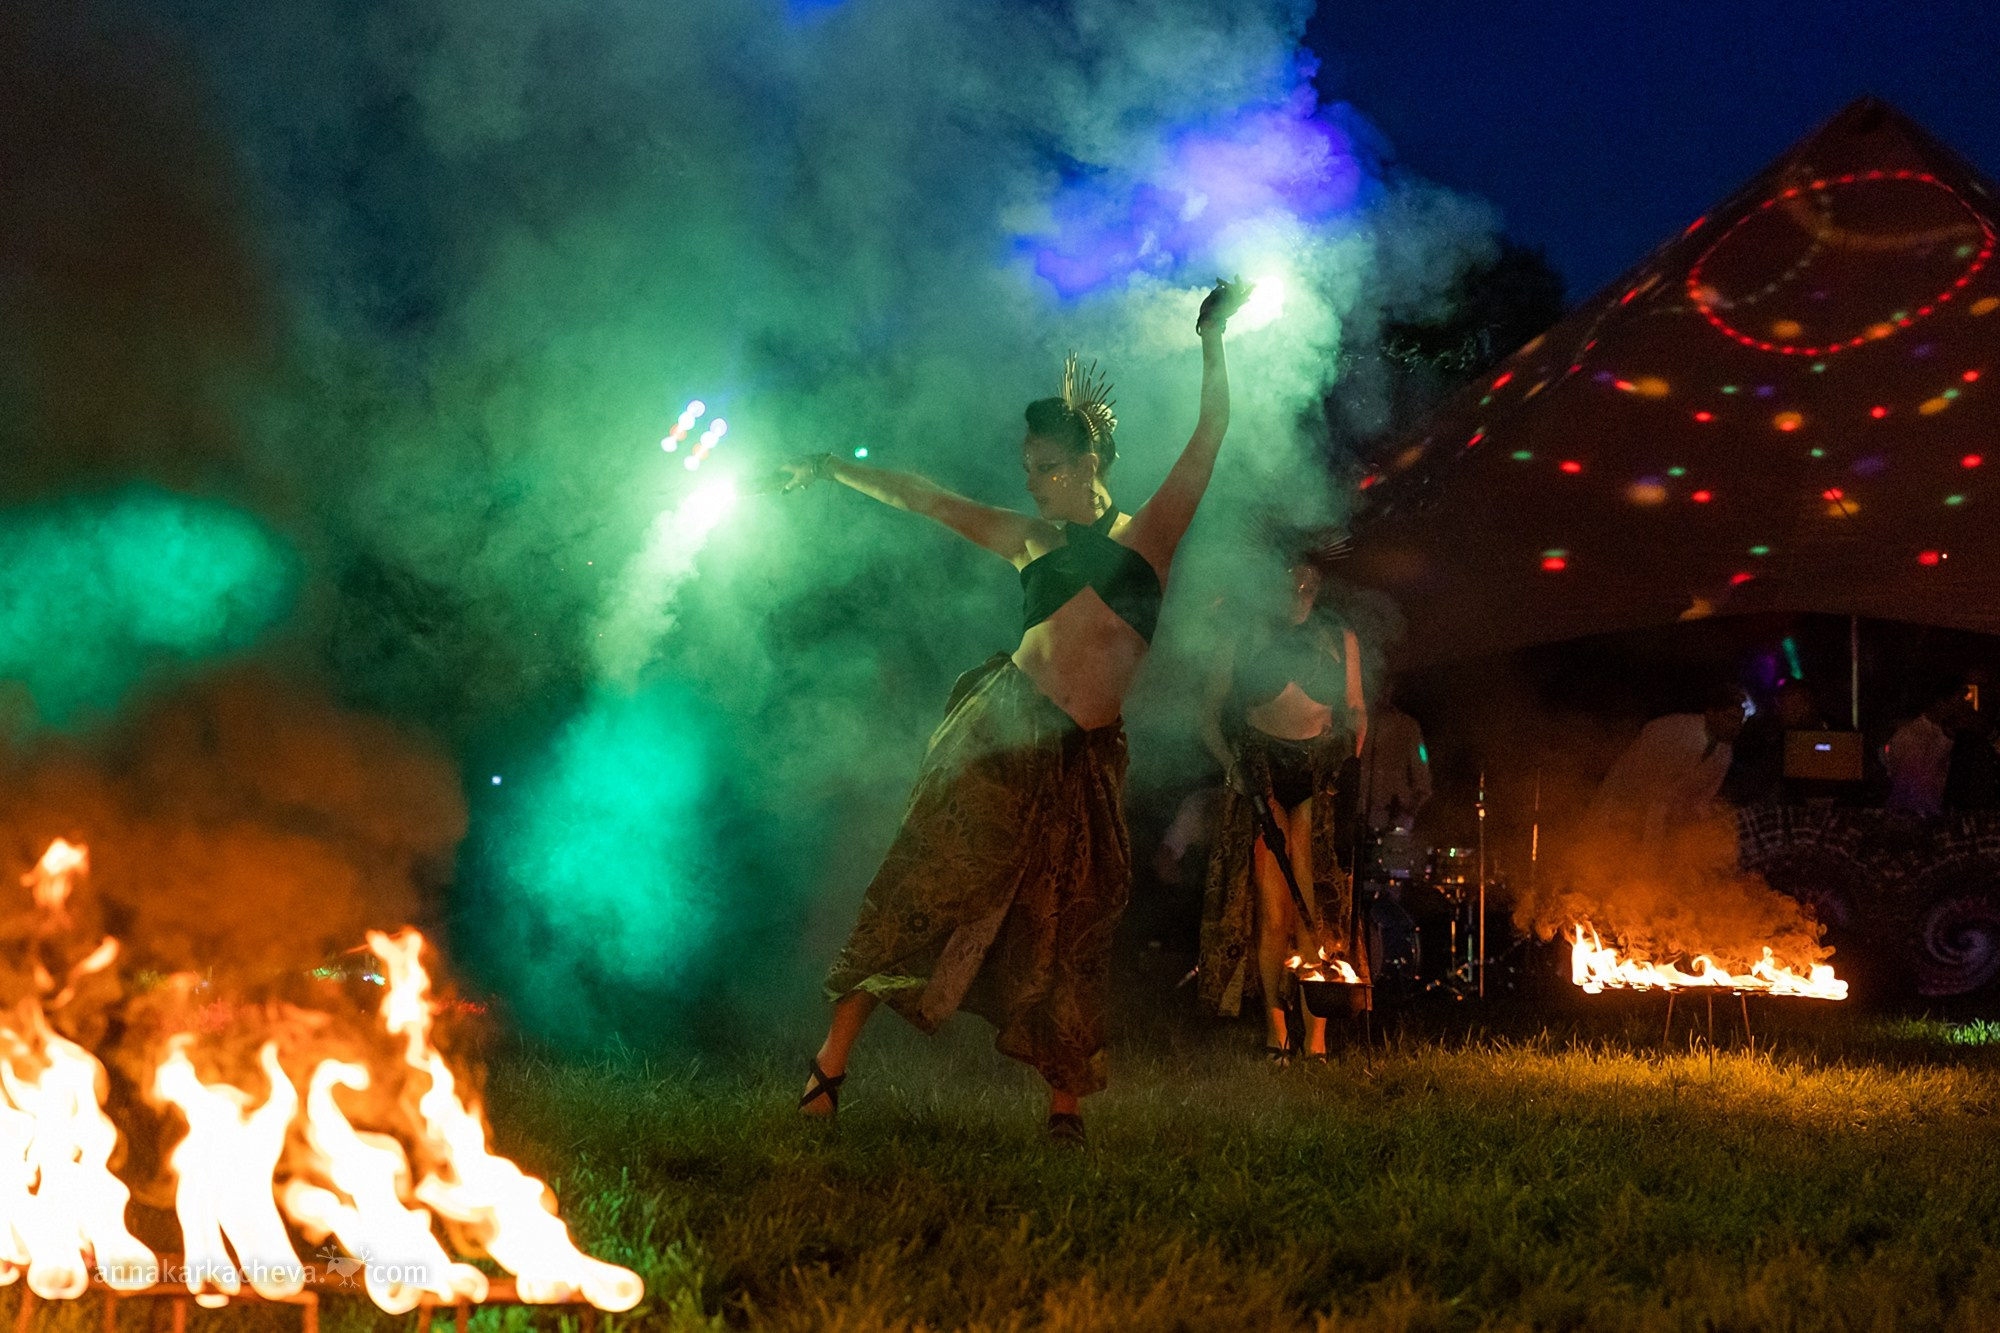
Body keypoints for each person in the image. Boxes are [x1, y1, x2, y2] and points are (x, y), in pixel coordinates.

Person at [787, 281, 1252, 1142]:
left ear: (1086, 467)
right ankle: (830, 1067)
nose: (1032, 484)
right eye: (1029, 470)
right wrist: (830, 468)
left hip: (1081, 760)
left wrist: (1212, 340)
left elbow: (1209, 435)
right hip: (1001, 734)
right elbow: (928, 498)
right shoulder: (1032, 543)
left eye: (1045, 469)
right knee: (921, 881)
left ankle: (1065, 1106)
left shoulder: (1147, 539)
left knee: (1070, 919)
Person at [1195, 533, 1366, 1062]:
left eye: (1308, 576)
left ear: (1318, 581)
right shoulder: (1242, 636)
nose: (1299, 585)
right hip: (1262, 773)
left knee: (1317, 907)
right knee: (1274, 913)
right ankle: (1276, 1030)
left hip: (1320, 776)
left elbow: (1357, 708)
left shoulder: (1341, 638)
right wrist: (1234, 772)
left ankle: (1317, 1036)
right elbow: (1207, 713)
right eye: (1289, 574)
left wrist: (1353, 761)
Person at [1590, 684, 1749, 849]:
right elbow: (1639, 780)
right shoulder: (1669, 731)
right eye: (1730, 718)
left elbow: (1702, 800)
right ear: (1710, 713)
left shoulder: (1724, 753)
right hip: (1623, 809)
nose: (1736, 727)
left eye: (1739, 721)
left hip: (1661, 822)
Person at [1886, 683, 1970, 819]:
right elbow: (1917, 785)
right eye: (1960, 700)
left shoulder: (1952, 735)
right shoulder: (1912, 736)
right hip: (1917, 817)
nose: (1965, 707)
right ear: (1942, 702)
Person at [1360, 680, 1432, 834]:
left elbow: (1423, 780)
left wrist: (1407, 814)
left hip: (1393, 821)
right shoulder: (1359, 722)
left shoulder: (1408, 726)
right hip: (1358, 818)